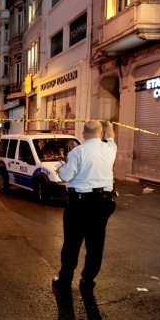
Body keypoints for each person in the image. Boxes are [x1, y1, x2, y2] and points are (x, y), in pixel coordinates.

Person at [52, 121, 117, 295]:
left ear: (83, 133)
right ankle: (88, 280)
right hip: (102, 203)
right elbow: (111, 135)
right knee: (95, 244)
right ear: (101, 133)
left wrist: (60, 167)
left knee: (72, 243)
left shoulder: (77, 152)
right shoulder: (110, 148)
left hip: (79, 204)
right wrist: (108, 125)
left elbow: (67, 175)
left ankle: (65, 280)